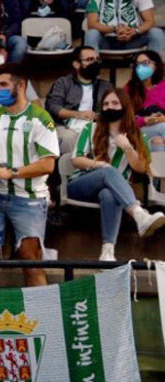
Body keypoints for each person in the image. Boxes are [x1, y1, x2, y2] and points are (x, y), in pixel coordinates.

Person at [0, 63, 59, 288]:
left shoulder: (41, 118)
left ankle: (44, 320)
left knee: (32, 263)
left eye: (4, 85)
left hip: (29, 199)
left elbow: (48, 165)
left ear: (22, 85)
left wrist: (11, 172)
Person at [69, 88, 165, 261]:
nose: (109, 107)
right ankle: (138, 214)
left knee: (108, 194)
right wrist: (99, 165)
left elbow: (141, 168)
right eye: (106, 104)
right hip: (81, 184)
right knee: (108, 170)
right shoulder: (90, 128)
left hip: (116, 190)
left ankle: (108, 251)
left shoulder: (136, 133)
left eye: (115, 103)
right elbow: (76, 159)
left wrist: (127, 147)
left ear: (124, 106)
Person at [46, 46, 112, 153]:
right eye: (90, 60)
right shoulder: (63, 83)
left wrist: (99, 117)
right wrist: (78, 114)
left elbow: (113, 110)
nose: (95, 63)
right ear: (76, 64)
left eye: (97, 59)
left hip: (95, 125)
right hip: (65, 126)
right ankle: (76, 168)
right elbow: (53, 107)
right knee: (68, 138)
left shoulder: (106, 86)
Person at [84, 0, 162, 54]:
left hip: (133, 39)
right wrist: (114, 29)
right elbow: (92, 24)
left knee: (156, 32)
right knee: (91, 34)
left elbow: (150, 21)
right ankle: (92, 74)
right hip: (107, 40)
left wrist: (134, 31)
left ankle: (154, 73)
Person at [126, 50, 165, 153]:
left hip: (160, 130)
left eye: (145, 63)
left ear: (156, 65)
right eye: (138, 64)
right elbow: (125, 118)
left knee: (158, 141)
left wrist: (161, 118)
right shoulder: (130, 88)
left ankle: (156, 169)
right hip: (139, 130)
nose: (140, 67)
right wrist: (145, 120)